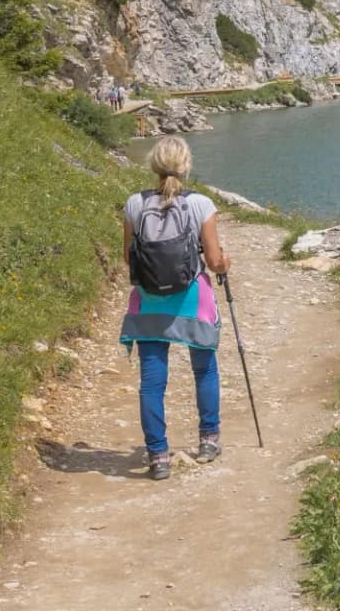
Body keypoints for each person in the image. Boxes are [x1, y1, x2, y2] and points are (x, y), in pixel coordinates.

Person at [119, 136, 231, 480]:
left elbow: (128, 258)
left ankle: (158, 456)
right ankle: (209, 439)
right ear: (186, 165)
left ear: (154, 165)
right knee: (204, 369)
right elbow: (213, 261)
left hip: (150, 302)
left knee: (152, 381)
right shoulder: (200, 204)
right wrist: (225, 263)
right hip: (191, 300)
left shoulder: (134, 204)